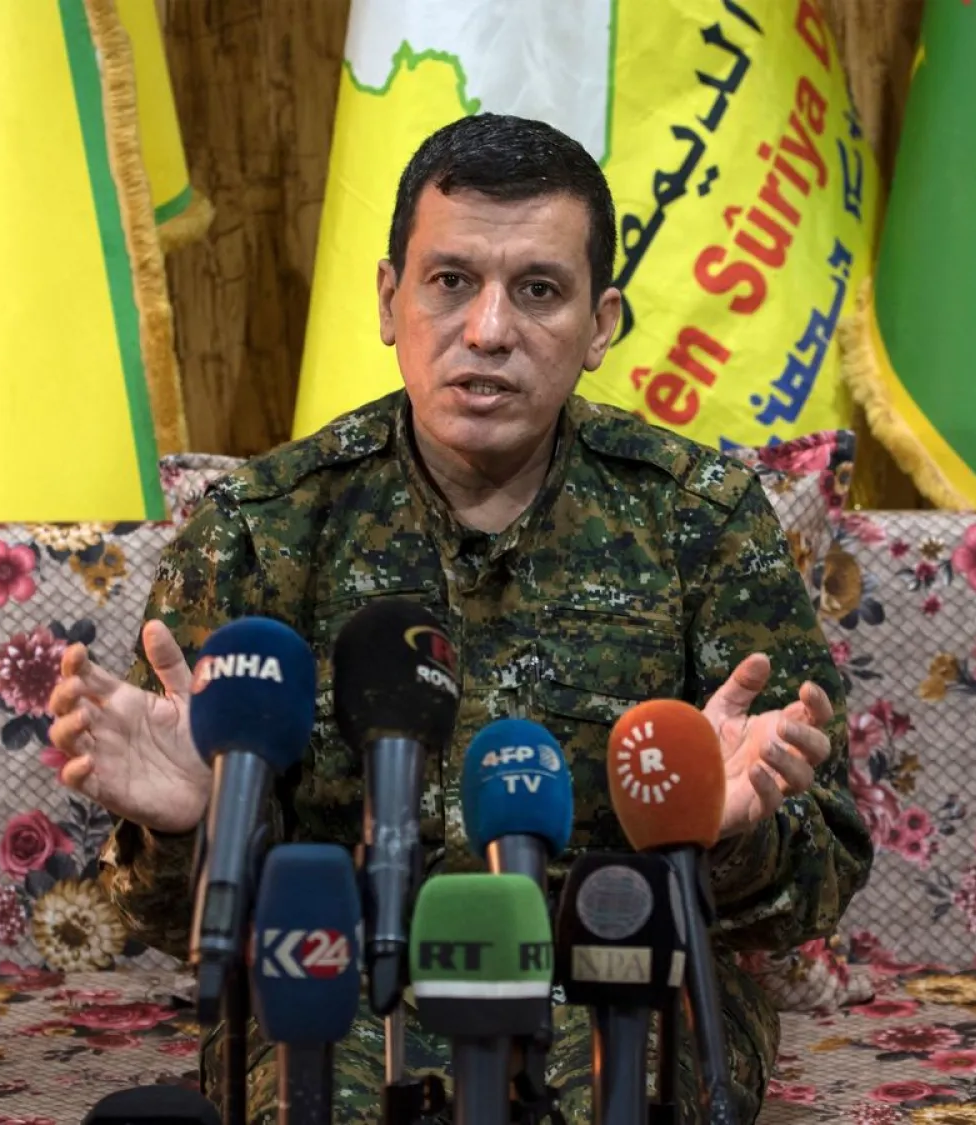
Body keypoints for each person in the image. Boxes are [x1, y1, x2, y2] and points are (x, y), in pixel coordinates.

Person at [48, 112, 872, 1124]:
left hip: (618, 970)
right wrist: (193, 824)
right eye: (450, 282)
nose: (488, 331)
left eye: (538, 290)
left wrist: (722, 830)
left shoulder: (698, 518)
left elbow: (820, 872)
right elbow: (176, 923)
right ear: (390, 299)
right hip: (348, 981)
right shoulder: (260, 530)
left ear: (602, 323)